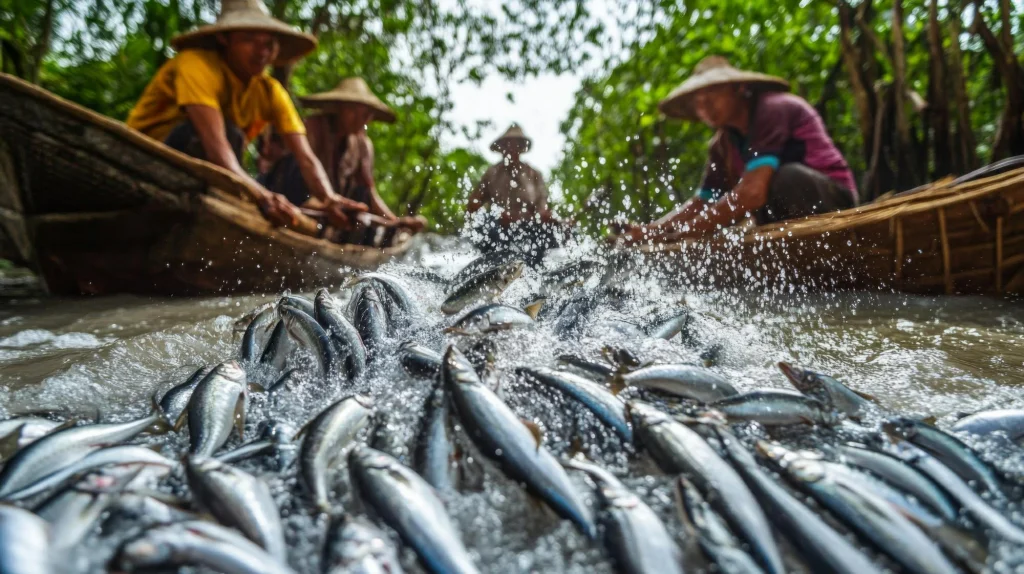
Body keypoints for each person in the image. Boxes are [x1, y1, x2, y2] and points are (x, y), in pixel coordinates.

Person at [125, 0, 366, 227]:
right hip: (146, 159)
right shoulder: (196, 64)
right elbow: (216, 144)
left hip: (218, 171)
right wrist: (260, 195)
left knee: (287, 162)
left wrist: (329, 198)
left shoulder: (270, 91)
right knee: (228, 134)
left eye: (269, 44)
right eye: (249, 40)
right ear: (224, 38)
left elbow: (306, 157)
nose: (261, 52)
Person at [613, 56, 857, 245]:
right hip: (778, 216)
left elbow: (752, 193)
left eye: (712, 92)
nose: (704, 104)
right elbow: (702, 202)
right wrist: (649, 231)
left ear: (738, 88)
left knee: (786, 178)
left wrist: (688, 232)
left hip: (831, 199)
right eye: (697, 100)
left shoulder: (773, 109)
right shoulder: (722, 145)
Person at [259, 77, 425, 236]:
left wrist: (395, 221)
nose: (362, 119)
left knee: (362, 196)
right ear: (339, 108)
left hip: (333, 210)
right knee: (292, 164)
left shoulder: (363, 145)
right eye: (354, 110)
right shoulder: (312, 127)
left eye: (367, 114)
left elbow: (369, 192)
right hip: (296, 202)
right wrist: (325, 205)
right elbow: (299, 170)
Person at [467, 124, 563, 262]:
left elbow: (543, 205)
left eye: (516, 144)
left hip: (528, 226)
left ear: (522, 148)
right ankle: (493, 265)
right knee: (487, 227)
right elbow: (473, 204)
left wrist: (543, 214)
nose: (511, 148)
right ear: (501, 148)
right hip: (499, 227)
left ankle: (536, 265)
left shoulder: (534, 174)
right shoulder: (492, 174)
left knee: (551, 231)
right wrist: (497, 215)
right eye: (507, 144)